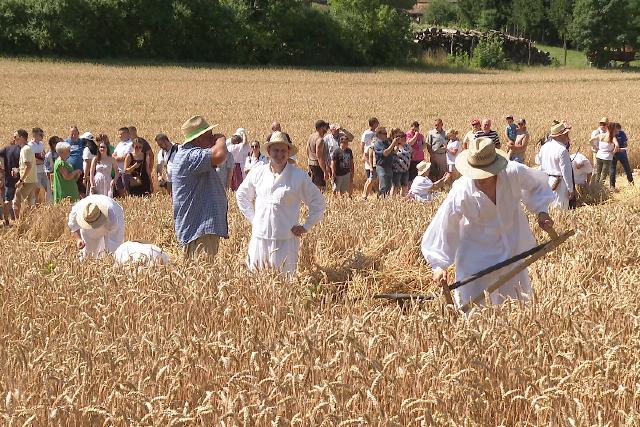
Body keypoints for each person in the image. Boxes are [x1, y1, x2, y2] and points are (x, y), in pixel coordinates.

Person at [421, 137, 556, 310]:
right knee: (473, 311)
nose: (480, 178)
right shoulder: (462, 190)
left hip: (513, 255)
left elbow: (538, 185)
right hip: (476, 261)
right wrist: (439, 266)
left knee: (516, 308)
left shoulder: (513, 172)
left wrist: (541, 211)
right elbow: (445, 224)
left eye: (485, 173)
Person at [236, 131, 326, 274]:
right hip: (259, 239)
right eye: (276, 150)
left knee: (284, 284)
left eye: (283, 150)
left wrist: (306, 226)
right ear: (269, 151)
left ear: (288, 152)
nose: (279, 154)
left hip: (286, 241)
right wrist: (254, 220)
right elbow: (241, 195)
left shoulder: (298, 176)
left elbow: (318, 202)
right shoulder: (257, 172)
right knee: (256, 281)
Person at [172, 115, 229, 259]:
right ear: (198, 139)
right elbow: (219, 154)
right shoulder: (190, 156)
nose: (213, 139)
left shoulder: (189, 155)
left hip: (198, 229)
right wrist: (221, 138)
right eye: (209, 136)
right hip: (198, 230)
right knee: (200, 274)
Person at [67, 194, 124, 259]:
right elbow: (73, 224)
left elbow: (113, 231)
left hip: (111, 222)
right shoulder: (77, 209)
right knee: (87, 252)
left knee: (113, 250)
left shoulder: (111, 212)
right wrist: (78, 239)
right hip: (93, 223)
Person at [538, 122, 575, 210]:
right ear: (559, 136)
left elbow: (539, 162)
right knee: (560, 209)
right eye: (565, 134)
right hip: (560, 184)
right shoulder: (562, 150)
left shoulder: (544, 147)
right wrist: (570, 189)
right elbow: (566, 172)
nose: (567, 136)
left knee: (548, 208)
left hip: (546, 181)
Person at [13, 129, 38, 220]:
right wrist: (18, 170)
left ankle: (19, 223)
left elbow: (28, 166)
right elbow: (26, 166)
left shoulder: (25, 149)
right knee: (29, 204)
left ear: (22, 138)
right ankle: (28, 223)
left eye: (16, 137)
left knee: (16, 202)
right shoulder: (26, 149)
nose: (14, 139)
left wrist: (21, 180)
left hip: (27, 181)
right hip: (31, 180)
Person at [0, 132, 22, 224]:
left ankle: (7, 220)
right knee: (19, 201)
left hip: (9, 180)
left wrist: (1, 170)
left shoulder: (6, 149)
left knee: (8, 201)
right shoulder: (23, 149)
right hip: (21, 180)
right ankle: (17, 220)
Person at [129, 126, 154, 192]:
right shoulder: (127, 143)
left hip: (143, 170)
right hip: (132, 173)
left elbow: (151, 155)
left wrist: (150, 168)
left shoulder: (142, 142)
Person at [307, 120, 330, 190]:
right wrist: (325, 171)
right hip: (318, 167)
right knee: (320, 190)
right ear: (321, 128)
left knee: (312, 188)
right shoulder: (320, 140)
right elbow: (319, 156)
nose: (327, 129)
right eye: (325, 127)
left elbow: (307, 149)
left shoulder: (311, 136)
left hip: (311, 164)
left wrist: (309, 162)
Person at [28, 127, 49, 203]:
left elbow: (44, 155)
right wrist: (41, 160)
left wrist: (42, 158)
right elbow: (32, 159)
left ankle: (47, 204)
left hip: (42, 170)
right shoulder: (30, 145)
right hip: (35, 172)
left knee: (48, 188)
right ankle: (35, 206)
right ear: (35, 135)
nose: (42, 136)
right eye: (40, 134)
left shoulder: (41, 144)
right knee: (36, 190)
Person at [610, 122, 633, 189]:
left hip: (613, 154)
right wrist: (622, 147)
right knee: (627, 168)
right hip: (622, 153)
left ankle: (612, 186)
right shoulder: (622, 133)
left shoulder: (610, 134)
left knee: (612, 169)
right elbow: (625, 144)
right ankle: (631, 183)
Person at [373, 127, 395, 197]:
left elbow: (393, 152)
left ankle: (385, 201)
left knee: (389, 186)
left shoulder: (388, 142)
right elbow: (385, 153)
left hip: (389, 166)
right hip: (381, 167)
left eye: (386, 133)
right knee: (383, 186)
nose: (386, 135)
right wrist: (393, 143)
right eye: (384, 133)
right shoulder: (377, 144)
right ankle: (380, 199)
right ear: (379, 135)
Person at [361, 117, 379, 199]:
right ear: (373, 123)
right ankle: (366, 193)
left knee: (372, 177)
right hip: (368, 154)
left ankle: (370, 191)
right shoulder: (366, 133)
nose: (378, 124)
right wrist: (363, 155)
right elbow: (362, 144)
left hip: (375, 155)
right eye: (376, 123)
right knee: (370, 176)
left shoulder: (377, 133)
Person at [65, 126, 86, 195]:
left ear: (78, 133)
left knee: (81, 191)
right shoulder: (65, 143)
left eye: (75, 134)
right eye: (71, 134)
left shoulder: (82, 142)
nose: (73, 136)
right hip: (70, 172)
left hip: (80, 171)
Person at [113, 127, 133, 196]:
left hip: (126, 171)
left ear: (127, 134)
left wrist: (117, 158)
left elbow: (126, 157)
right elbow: (114, 154)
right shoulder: (119, 144)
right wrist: (116, 158)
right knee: (119, 188)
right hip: (118, 171)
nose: (119, 136)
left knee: (126, 189)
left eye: (121, 134)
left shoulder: (131, 144)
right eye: (119, 134)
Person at [391, 131, 412, 196]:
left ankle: (403, 197)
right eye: (402, 138)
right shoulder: (395, 146)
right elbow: (393, 154)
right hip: (397, 170)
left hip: (406, 169)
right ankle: (392, 198)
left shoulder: (407, 146)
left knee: (405, 185)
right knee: (395, 186)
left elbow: (411, 153)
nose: (404, 139)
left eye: (404, 138)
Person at [81, 132, 97, 196]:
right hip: (95, 172)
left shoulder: (87, 149)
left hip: (89, 173)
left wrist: (85, 176)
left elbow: (88, 163)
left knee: (89, 193)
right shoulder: (96, 148)